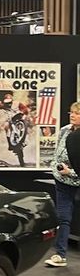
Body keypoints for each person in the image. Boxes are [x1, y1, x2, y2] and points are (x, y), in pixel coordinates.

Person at [45, 103, 80, 267]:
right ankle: (60, 254)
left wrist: (71, 172)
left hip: (76, 179)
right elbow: (56, 153)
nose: (72, 115)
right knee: (63, 217)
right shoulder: (65, 130)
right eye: (71, 112)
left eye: (77, 113)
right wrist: (56, 169)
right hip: (62, 181)